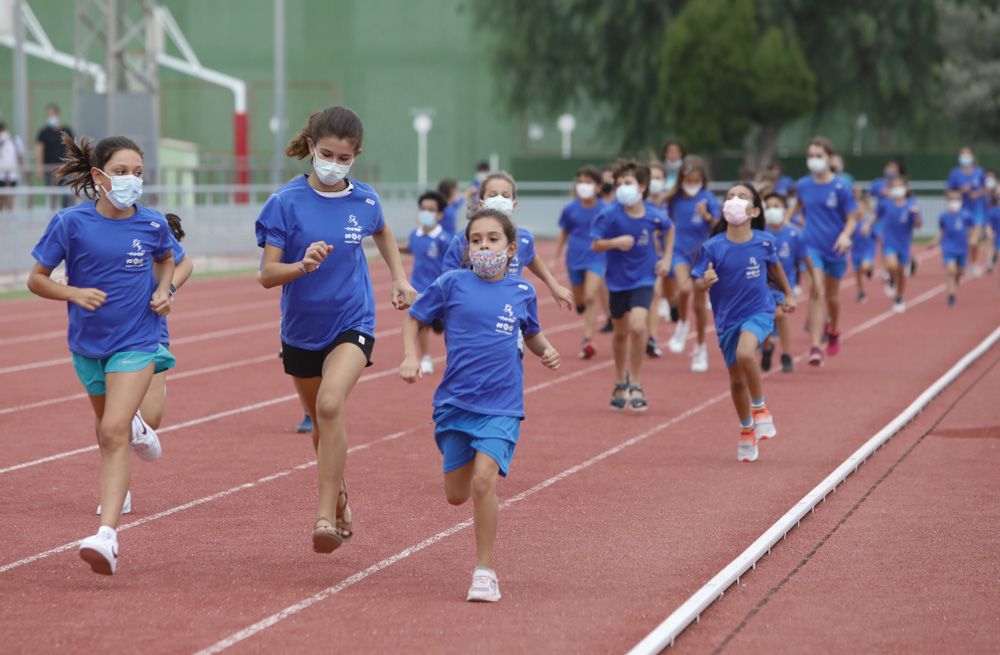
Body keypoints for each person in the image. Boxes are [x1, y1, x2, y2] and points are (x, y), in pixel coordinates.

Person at [255, 106, 417, 554]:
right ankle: (341, 495)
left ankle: (324, 515)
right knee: (321, 428)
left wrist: (399, 278)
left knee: (329, 405)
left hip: (353, 320)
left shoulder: (365, 200)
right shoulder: (284, 203)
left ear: (356, 156)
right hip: (302, 331)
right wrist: (300, 266)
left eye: (344, 158)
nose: (334, 164)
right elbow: (267, 275)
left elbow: (382, 232)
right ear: (310, 147)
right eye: (326, 154)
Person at [27, 133, 175, 574]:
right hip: (87, 347)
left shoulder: (152, 224)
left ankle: (107, 536)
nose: (132, 180)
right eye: (122, 171)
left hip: (137, 341)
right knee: (107, 427)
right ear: (99, 176)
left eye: (138, 173)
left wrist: (165, 289)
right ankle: (138, 428)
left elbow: (168, 259)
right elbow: (37, 278)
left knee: (112, 432)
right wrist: (72, 292)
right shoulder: (70, 224)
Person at [399, 208, 560, 603]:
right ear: (467, 248)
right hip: (455, 402)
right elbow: (414, 320)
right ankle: (466, 468)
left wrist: (546, 350)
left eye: (493, 239)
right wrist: (410, 357)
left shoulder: (522, 292)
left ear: (510, 250)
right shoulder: (451, 283)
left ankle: (484, 572)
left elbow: (533, 333)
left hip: (502, 405)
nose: (484, 245)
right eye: (476, 240)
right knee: (456, 494)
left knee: (484, 481)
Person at [94, 211, 193, 517]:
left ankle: (135, 422)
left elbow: (184, 264)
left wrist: (168, 289)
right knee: (111, 422)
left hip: (150, 332)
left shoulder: (150, 234)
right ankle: (117, 492)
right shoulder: (96, 235)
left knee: (151, 416)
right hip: (106, 334)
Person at [692, 182, 795, 462]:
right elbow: (697, 282)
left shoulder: (764, 241)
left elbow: (775, 267)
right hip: (727, 319)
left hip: (760, 311)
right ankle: (746, 428)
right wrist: (705, 282)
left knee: (746, 352)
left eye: (742, 197)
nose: (734, 201)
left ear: (754, 209)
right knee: (737, 381)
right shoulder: (712, 247)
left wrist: (789, 294)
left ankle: (760, 409)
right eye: (730, 197)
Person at [591, 160, 673, 412]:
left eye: (627, 183)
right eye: (619, 184)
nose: (622, 188)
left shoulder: (654, 215)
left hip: (644, 279)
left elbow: (670, 229)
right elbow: (595, 244)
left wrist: (666, 258)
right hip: (616, 281)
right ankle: (619, 379)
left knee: (638, 328)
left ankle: (635, 382)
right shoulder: (608, 214)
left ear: (642, 186)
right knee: (620, 333)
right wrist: (614, 242)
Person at [441, 171, 573, 312]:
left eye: (505, 196)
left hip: (508, 312)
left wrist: (554, 285)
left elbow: (532, 258)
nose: (499, 199)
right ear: (481, 203)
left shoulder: (523, 238)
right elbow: (447, 279)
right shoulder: (463, 239)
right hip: (472, 312)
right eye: (492, 195)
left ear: (514, 205)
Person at [788, 137, 859, 366]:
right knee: (816, 291)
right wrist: (790, 225)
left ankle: (834, 329)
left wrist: (846, 235)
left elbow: (852, 218)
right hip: (811, 247)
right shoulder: (803, 185)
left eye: (819, 156)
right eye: (810, 156)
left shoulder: (841, 187)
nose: (814, 160)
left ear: (829, 158)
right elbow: (793, 211)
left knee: (832, 298)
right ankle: (815, 347)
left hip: (835, 248)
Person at [663, 156, 721, 372]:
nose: (692, 176)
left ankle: (700, 348)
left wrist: (706, 215)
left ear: (701, 175)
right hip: (679, 251)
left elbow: (718, 223)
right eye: (688, 173)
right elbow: (667, 222)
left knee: (699, 305)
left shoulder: (707, 198)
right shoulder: (675, 198)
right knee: (684, 288)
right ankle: (682, 324)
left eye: (695, 173)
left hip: (702, 255)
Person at [551, 166, 607, 359]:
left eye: (588, 182)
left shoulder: (605, 209)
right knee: (580, 300)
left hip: (596, 257)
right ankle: (581, 305)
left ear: (598, 187)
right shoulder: (570, 209)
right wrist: (554, 258)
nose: (584, 186)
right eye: (581, 182)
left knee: (591, 297)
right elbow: (563, 233)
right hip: (574, 258)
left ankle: (587, 338)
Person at [403, 190, 451, 373]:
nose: (426, 213)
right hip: (418, 287)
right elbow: (411, 249)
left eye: (431, 210)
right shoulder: (415, 234)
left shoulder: (444, 239)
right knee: (419, 322)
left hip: (440, 289)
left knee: (447, 326)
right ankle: (426, 357)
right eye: (423, 209)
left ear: (439, 214)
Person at [762, 193, 805, 373]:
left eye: (776, 205)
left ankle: (786, 354)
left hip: (782, 286)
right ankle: (767, 346)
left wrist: (805, 284)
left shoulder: (794, 234)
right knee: (766, 318)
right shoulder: (759, 234)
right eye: (769, 206)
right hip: (761, 285)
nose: (773, 210)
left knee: (779, 315)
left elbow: (802, 260)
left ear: (784, 209)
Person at [880, 175, 921, 313]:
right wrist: (868, 225)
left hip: (903, 244)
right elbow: (877, 215)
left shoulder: (911, 205)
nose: (896, 189)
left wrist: (915, 215)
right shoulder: (886, 203)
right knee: (891, 265)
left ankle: (899, 297)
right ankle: (891, 279)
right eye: (894, 186)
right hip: (889, 242)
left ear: (905, 188)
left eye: (899, 186)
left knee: (901, 272)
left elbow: (918, 225)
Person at [645, 163, 674, 357]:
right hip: (640, 255)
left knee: (657, 293)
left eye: (658, 178)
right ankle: (647, 336)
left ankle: (652, 338)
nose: (654, 182)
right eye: (651, 178)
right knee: (653, 294)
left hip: (664, 254)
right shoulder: (637, 202)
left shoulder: (670, 203)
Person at [947, 147, 987, 276]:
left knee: (974, 240)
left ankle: (974, 264)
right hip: (962, 210)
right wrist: (960, 191)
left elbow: (987, 189)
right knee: (965, 238)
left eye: (967, 154)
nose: (965, 157)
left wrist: (977, 193)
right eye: (962, 154)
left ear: (972, 156)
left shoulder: (979, 172)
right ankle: (961, 263)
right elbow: (948, 191)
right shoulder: (955, 173)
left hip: (977, 209)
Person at [929, 189, 972, 307]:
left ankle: (957, 277)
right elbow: (942, 231)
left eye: (957, 199)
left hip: (962, 248)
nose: (954, 201)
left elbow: (972, 229)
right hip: (948, 247)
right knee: (950, 270)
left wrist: (973, 238)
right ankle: (951, 296)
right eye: (952, 199)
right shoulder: (943, 216)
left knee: (960, 272)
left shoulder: (966, 214)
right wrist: (935, 241)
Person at [35, 103, 74, 208]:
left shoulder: (67, 130)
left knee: (67, 195)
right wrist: (39, 168)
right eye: (48, 114)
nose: (50, 117)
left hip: (65, 168)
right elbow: (39, 150)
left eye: (52, 114)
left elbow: (72, 148)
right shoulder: (44, 132)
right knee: (52, 195)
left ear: (58, 114)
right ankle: (53, 215)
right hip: (49, 169)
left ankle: (66, 214)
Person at [850, 188, 877, 304]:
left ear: (865, 209)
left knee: (864, 267)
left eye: (860, 208)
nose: (858, 211)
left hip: (868, 250)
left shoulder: (869, 222)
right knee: (857, 273)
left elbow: (876, 236)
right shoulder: (851, 224)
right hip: (856, 251)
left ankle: (870, 267)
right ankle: (861, 292)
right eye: (856, 209)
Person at [0, 121, 25, 211]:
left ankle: (10, 216)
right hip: (1, 175)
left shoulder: (15, 140)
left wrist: (22, 168)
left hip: (13, 174)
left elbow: (20, 156)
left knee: (11, 195)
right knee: (1, 197)